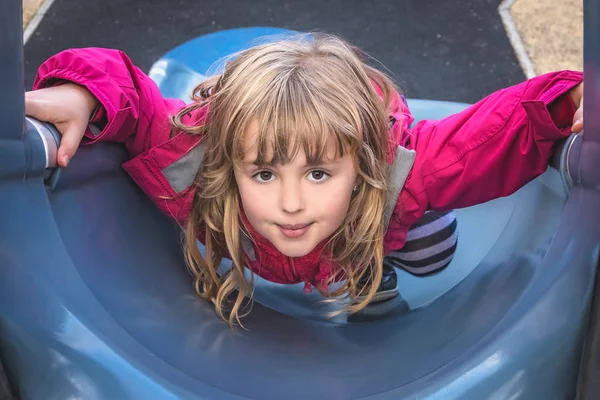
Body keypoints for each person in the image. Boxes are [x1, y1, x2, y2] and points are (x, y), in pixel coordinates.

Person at [24, 33, 583, 326]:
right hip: (291, 221)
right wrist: (80, 91)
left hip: (376, 217)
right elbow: (130, 91)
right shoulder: (194, 159)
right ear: (231, 161)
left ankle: (382, 264)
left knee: (432, 246)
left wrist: (573, 100)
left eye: (318, 173)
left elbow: (498, 132)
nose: (290, 203)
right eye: (264, 172)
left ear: (359, 162)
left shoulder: (400, 170)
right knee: (280, 226)